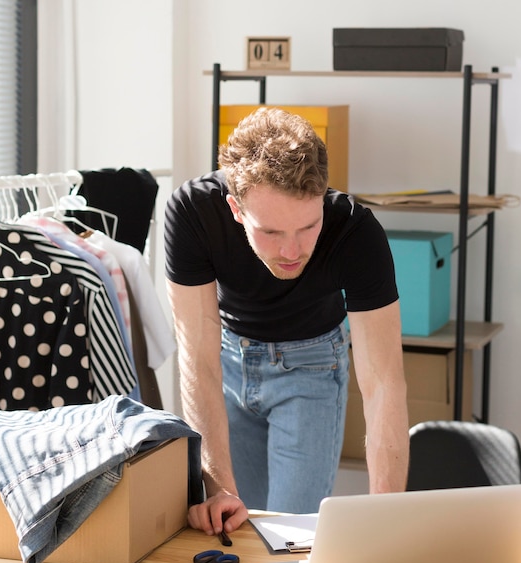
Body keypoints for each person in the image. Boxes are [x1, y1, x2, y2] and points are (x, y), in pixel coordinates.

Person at [164, 107, 409, 539]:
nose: (293, 250)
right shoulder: (191, 212)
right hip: (226, 364)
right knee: (235, 531)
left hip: (312, 367)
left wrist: (385, 517)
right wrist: (218, 487)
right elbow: (197, 356)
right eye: (272, 233)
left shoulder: (357, 233)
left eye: (308, 226)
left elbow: (384, 383)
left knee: (289, 538)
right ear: (236, 209)